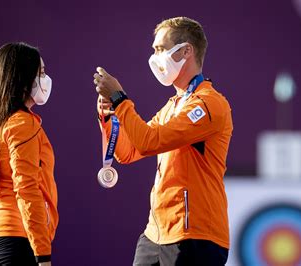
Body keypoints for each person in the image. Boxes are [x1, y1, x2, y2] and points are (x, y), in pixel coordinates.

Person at [94, 17, 233, 265]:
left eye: (160, 49)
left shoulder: (209, 103)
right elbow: (130, 151)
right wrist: (110, 118)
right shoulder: (173, 105)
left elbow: (150, 142)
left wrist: (119, 98)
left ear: (186, 51)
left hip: (195, 235)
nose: (154, 57)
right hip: (155, 233)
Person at [0, 42, 58, 266]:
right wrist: (43, 254)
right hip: (14, 241)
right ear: (22, 78)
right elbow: (26, 188)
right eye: (41, 73)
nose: (46, 79)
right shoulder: (22, 124)